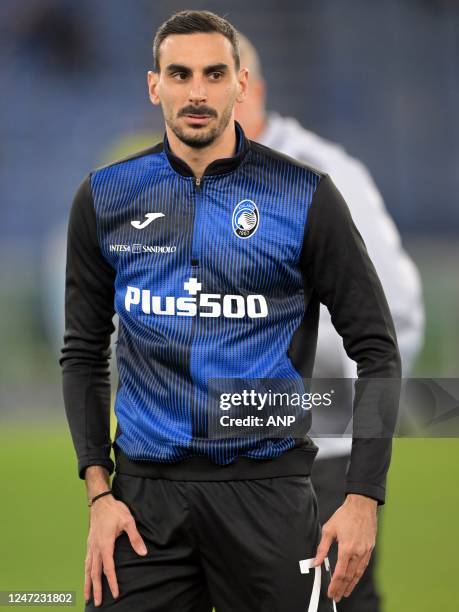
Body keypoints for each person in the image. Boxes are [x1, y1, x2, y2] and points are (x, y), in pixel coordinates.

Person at [60, 10, 401, 611]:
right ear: (154, 85)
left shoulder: (305, 196)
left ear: (241, 83)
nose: (197, 92)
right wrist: (98, 491)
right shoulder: (105, 197)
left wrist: (363, 498)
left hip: (270, 499)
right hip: (142, 509)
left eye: (215, 74)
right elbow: (82, 352)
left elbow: (376, 349)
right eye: (181, 73)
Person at [234, 34, 425, 612]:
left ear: (255, 90)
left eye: (223, 82)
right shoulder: (183, 187)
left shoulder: (321, 173)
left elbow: (393, 316)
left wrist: (344, 429)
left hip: (318, 464)